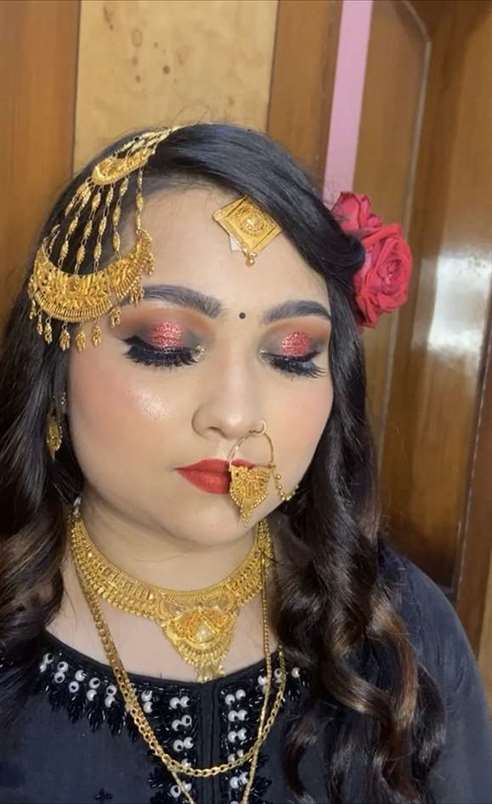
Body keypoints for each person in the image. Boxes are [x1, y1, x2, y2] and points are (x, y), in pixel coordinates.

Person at [0, 123, 490, 804]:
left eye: (291, 355)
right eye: (165, 344)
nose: (234, 415)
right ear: (56, 366)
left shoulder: (398, 627)